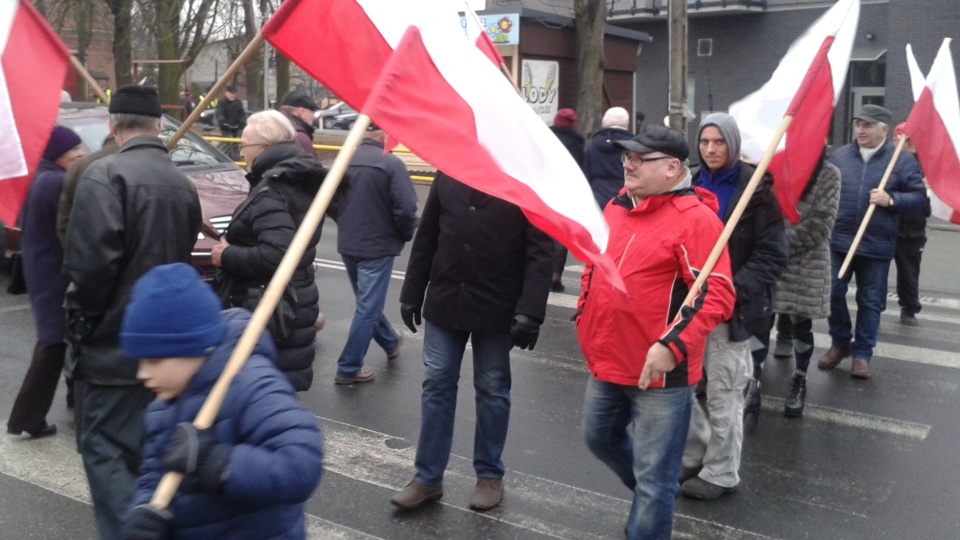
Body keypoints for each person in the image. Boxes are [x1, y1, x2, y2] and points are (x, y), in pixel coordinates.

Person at [577, 126, 736, 539]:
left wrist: (673, 345)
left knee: (654, 481)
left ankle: (652, 500)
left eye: (638, 158)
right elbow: (597, 266)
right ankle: (654, 491)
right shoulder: (616, 206)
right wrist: (583, 312)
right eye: (626, 156)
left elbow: (717, 294)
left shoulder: (696, 220)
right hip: (608, 359)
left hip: (661, 374)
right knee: (598, 439)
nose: (627, 163)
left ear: (671, 168)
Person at [62, 85, 203, 540]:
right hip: (166, 351)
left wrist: (81, 326)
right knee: (149, 461)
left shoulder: (104, 177)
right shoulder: (182, 183)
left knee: (107, 460)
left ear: (111, 125)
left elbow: (89, 269)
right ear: (158, 127)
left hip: (112, 349)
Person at [118, 263, 323, 540]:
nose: (143, 373)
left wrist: (218, 463)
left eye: (154, 360)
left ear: (192, 347)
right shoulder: (161, 408)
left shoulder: (252, 385)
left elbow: (300, 466)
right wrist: (143, 511)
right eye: (139, 361)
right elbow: (154, 474)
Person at [390, 172, 553, 512]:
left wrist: (530, 311)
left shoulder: (523, 177)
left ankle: (489, 475)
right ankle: (427, 478)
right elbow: (429, 234)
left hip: (498, 304)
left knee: (492, 388)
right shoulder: (450, 170)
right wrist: (411, 291)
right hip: (446, 296)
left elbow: (539, 249)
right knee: (437, 383)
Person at [681, 112, 787, 500]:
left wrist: (729, 291)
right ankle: (693, 458)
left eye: (719, 142)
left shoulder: (756, 190)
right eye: (705, 142)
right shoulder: (687, 183)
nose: (711, 150)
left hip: (732, 311)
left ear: (733, 145)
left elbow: (773, 255)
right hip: (688, 308)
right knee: (681, 389)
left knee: (725, 391)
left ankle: (722, 472)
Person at [211, 110, 328, 392]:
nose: (241, 153)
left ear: (265, 148)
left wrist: (226, 256)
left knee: (263, 396)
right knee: (275, 397)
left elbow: (277, 255)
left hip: (272, 307)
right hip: (292, 300)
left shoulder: (274, 188)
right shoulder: (297, 176)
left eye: (244, 146)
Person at [819, 105, 926, 379]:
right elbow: (824, 189)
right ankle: (840, 343)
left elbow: (918, 199)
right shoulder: (840, 156)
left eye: (867, 125)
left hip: (876, 243)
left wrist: (891, 200)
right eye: (858, 124)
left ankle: (863, 354)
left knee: (869, 301)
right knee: (832, 293)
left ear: (884, 130)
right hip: (840, 240)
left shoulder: (902, 162)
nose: (860, 130)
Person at [6, 126, 86, 439]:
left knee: (57, 340)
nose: (81, 152)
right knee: (53, 342)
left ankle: (35, 414)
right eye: (75, 149)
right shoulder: (55, 180)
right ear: (60, 153)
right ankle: (26, 418)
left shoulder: (42, 175)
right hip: (53, 272)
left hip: (42, 269)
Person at [332, 124, 418, 384]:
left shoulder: (345, 160)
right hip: (377, 247)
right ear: (383, 136)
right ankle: (348, 367)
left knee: (367, 303)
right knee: (368, 308)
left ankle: (390, 342)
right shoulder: (390, 163)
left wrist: (347, 223)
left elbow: (329, 201)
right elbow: (406, 209)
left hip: (349, 244)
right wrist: (403, 235)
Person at [766, 151, 842, 418]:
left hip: (806, 260)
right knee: (761, 318)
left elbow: (821, 224)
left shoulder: (829, 174)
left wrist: (777, 243)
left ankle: (799, 380)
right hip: (769, 255)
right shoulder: (774, 166)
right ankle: (752, 381)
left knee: (801, 321)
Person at [892, 123, 931, 327]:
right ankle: (874, 306)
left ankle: (909, 308)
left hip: (914, 229)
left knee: (909, 272)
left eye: (913, 141)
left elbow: (927, 202)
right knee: (876, 271)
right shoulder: (888, 163)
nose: (911, 145)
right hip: (888, 226)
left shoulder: (926, 167)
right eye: (906, 141)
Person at [548, 108, 585, 292]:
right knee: (560, 234)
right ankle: (556, 273)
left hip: (545, 189)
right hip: (567, 193)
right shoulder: (578, 144)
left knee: (540, 230)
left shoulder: (544, 138)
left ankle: (540, 271)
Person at [583, 106, 634, 210]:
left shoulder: (592, 146)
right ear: (626, 124)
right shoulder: (634, 147)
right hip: (625, 198)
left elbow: (586, 175)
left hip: (597, 199)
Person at [279, 90, 320, 158]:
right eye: (312, 111)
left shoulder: (272, 129)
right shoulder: (300, 139)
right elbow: (309, 167)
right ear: (301, 112)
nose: (313, 116)